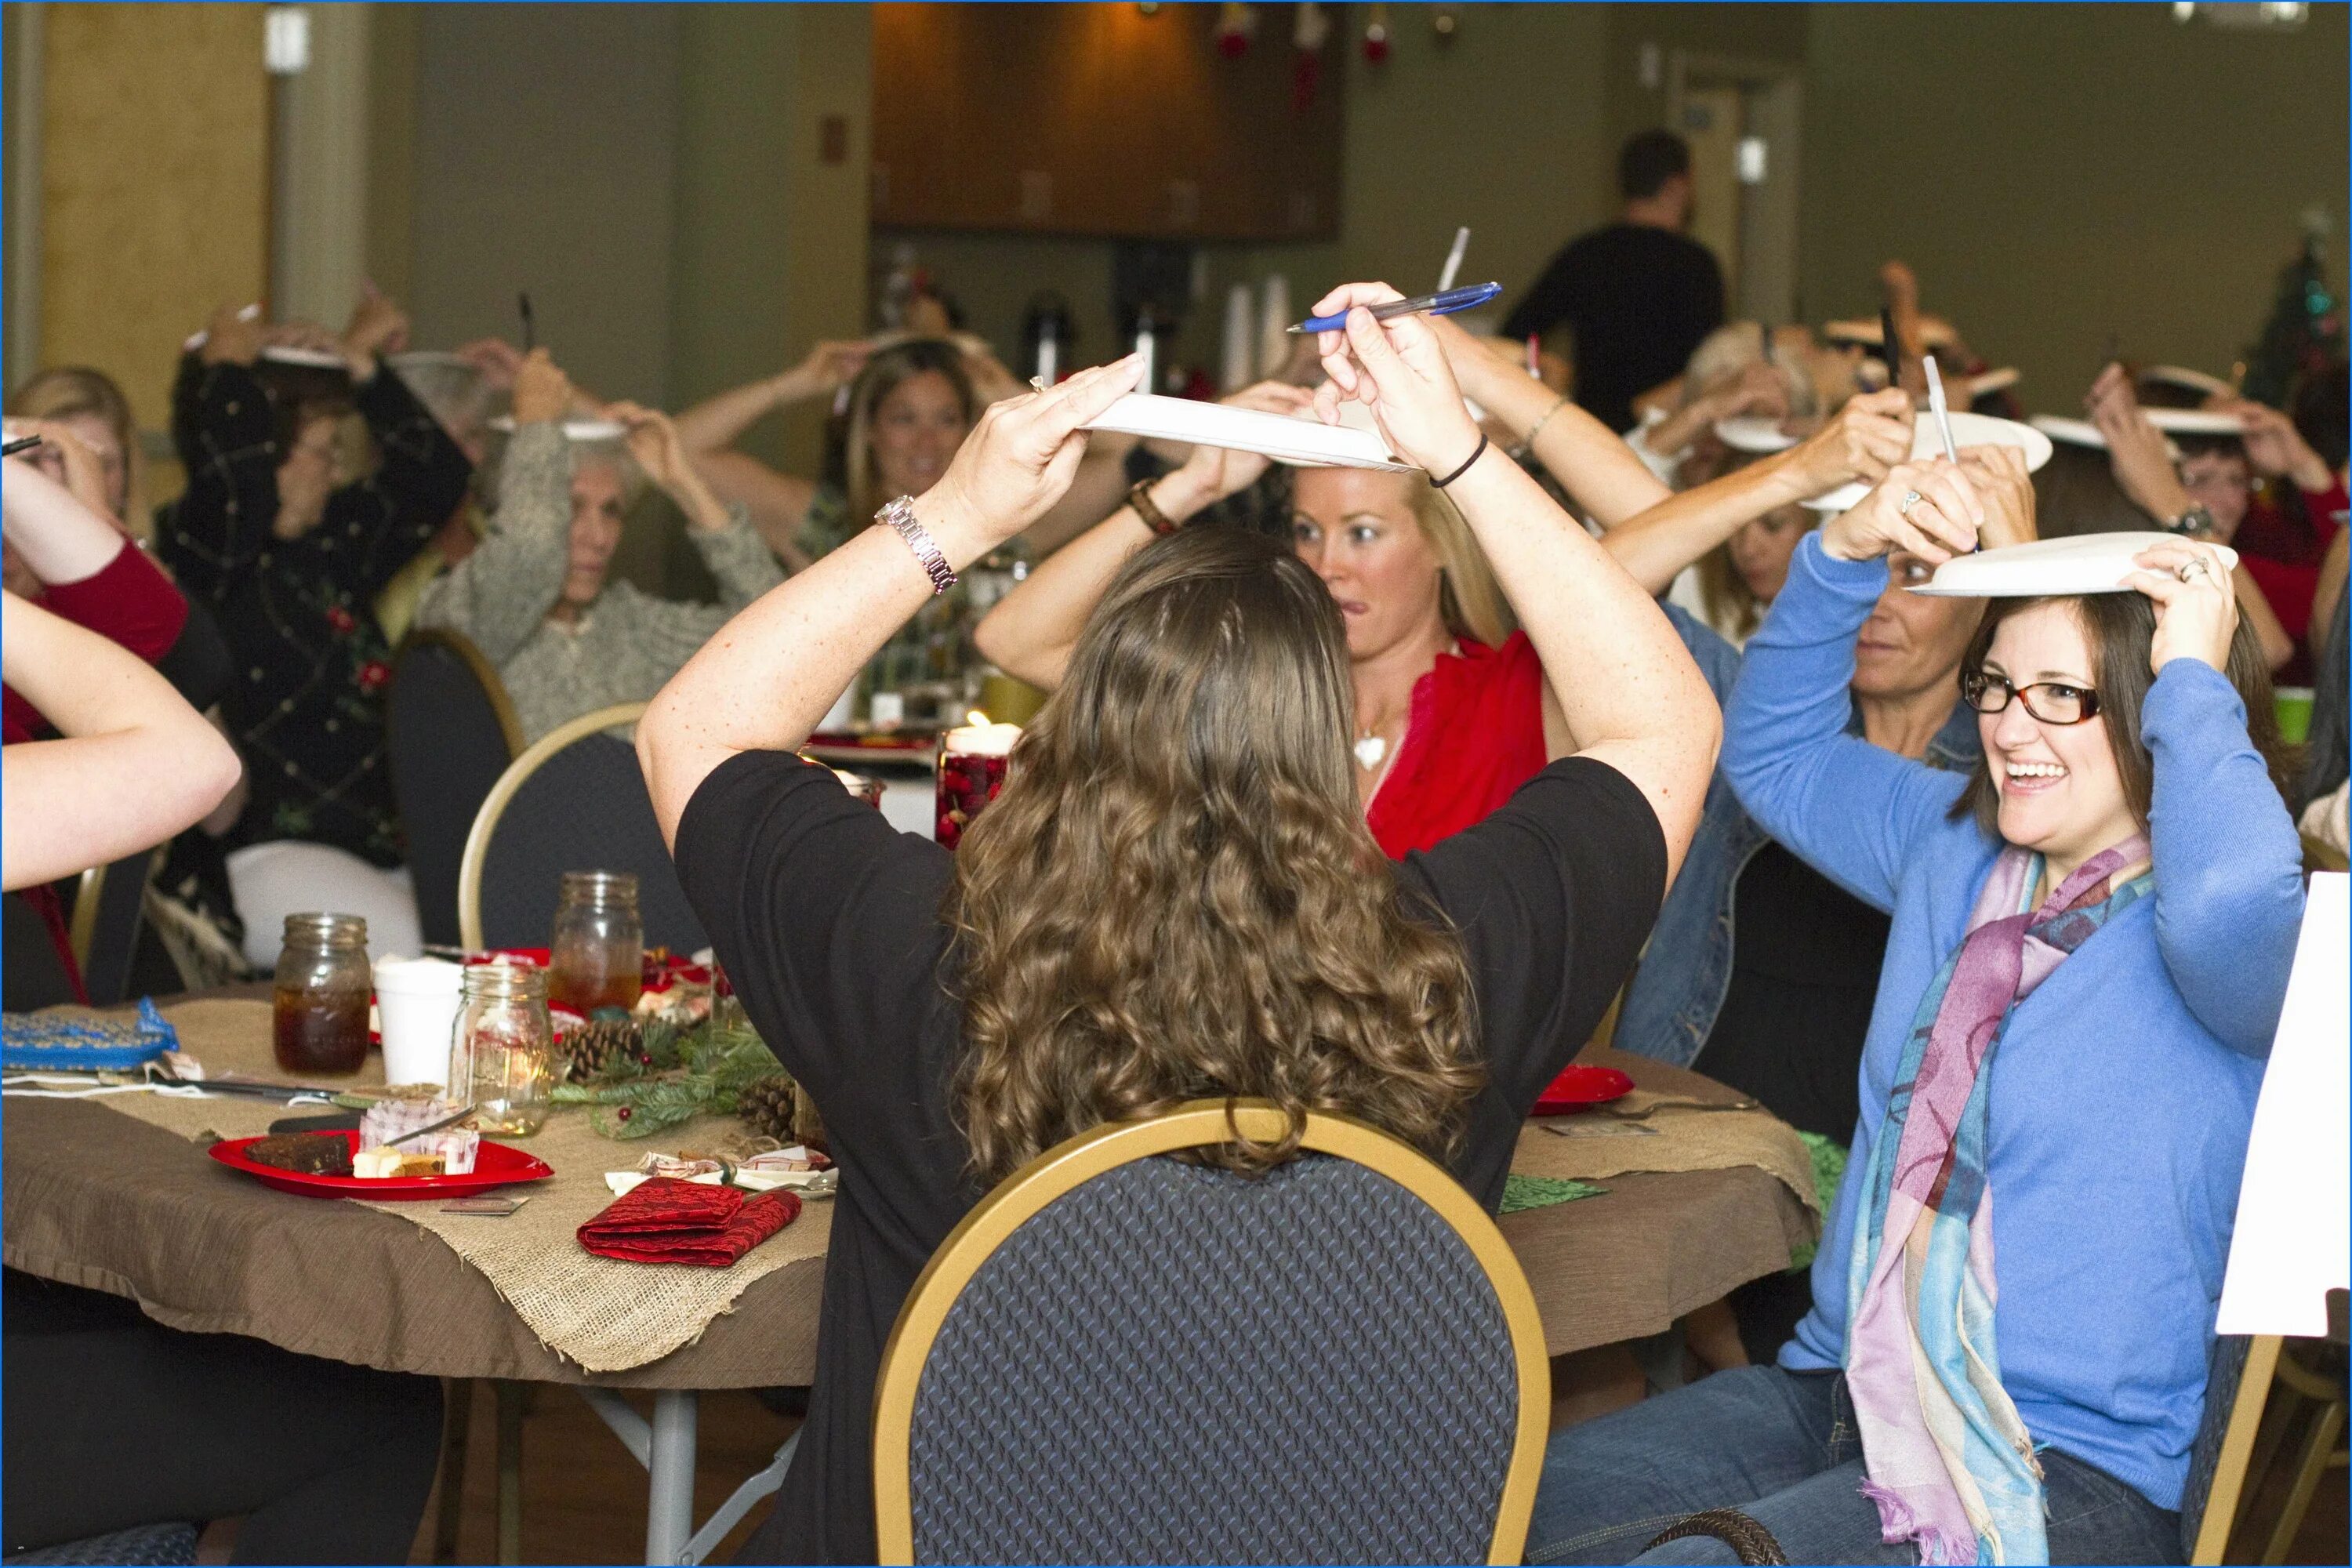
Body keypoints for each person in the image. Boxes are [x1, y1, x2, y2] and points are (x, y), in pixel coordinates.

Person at [637, 286, 1721, 1560]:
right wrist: (1463, 454)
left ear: (1075, 732)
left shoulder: (926, 966)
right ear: (1328, 744)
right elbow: (1665, 724)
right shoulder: (1450, 964)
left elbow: (694, 729)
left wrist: (962, 516)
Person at [1527, 458, 2303, 1566]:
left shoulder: (2220, 938)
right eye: (1997, 686)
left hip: (2063, 1464)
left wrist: (2195, 672)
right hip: (1847, 1387)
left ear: (2148, 710)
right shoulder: (1954, 844)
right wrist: (1842, 552)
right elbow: (1774, 753)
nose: (2008, 727)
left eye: (2062, 695)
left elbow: (2235, 892)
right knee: (1479, 1504)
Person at [160, 291, 471, 960]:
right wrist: (226, 376)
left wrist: (363, 370)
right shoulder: (204, 548)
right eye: (322, 452)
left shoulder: (331, 544)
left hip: (375, 853)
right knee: (432, 964)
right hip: (263, 856)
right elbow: (235, 494)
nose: (335, 472)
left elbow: (437, 479)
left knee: (478, 936)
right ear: (267, 456)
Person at [413, 350, 783, 746]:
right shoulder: (469, 612)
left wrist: (686, 488)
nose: (599, 536)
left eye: (611, 511)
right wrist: (538, 420)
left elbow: (778, 635)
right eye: (569, 508)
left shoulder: (630, 623)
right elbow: (529, 553)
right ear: (518, 506)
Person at [1502, 129, 1726, 436]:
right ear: (1676, 186)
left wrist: (1549, 381)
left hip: (1591, 428)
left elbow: (1515, 332)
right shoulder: (1697, 265)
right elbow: (1712, 362)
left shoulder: (1585, 253)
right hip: (1668, 431)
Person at [2082, 363, 2303, 674]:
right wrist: (2174, 504)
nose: (2225, 503)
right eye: (2199, 480)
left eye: (2237, 480)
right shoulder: (2123, 577)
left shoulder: (2252, 558)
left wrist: (2306, 469)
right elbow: (2267, 650)